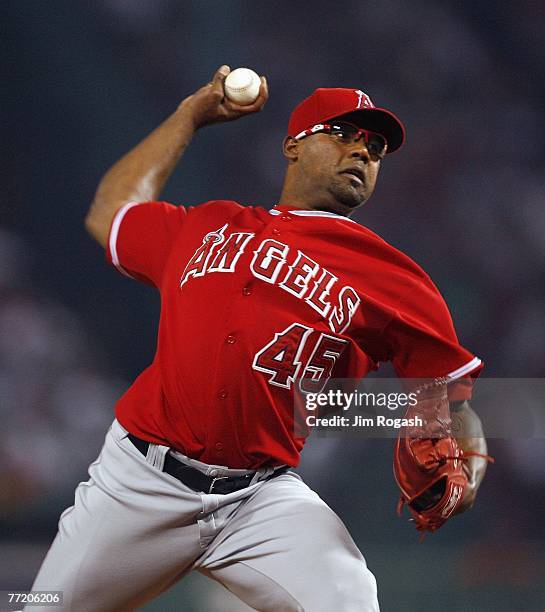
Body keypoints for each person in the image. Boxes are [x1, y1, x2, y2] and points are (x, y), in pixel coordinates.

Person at [28, 66, 489, 611]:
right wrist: (190, 115)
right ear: (293, 146)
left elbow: (450, 395)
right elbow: (112, 211)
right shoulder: (207, 226)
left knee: (350, 598)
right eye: (343, 133)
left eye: (375, 147)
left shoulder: (395, 279)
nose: (363, 152)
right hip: (138, 485)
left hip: (260, 498)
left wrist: (469, 468)